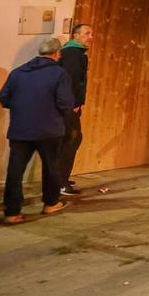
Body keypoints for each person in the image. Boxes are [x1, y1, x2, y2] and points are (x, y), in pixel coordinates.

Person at [0, 38, 74, 224]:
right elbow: (65, 103)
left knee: (15, 171)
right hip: (49, 130)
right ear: (57, 54)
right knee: (51, 167)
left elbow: (3, 98)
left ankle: (12, 212)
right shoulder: (59, 74)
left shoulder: (18, 73)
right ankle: (50, 203)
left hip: (20, 129)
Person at [57, 23, 92, 196]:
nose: (90, 37)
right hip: (69, 106)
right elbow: (72, 80)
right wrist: (75, 103)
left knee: (71, 140)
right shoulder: (72, 54)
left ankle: (61, 178)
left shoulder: (75, 53)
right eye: (87, 33)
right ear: (75, 35)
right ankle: (61, 182)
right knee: (72, 140)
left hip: (70, 104)